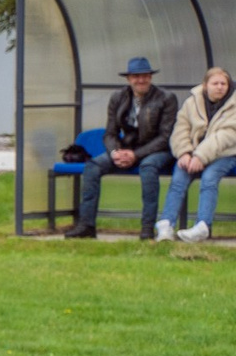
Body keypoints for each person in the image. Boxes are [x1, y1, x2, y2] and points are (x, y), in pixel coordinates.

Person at [67, 57, 176, 238]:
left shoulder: (166, 98)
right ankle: (86, 225)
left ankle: (147, 227)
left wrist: (136, 155)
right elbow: (110, 133)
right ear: (128, 78)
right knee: (93, 166)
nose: (141, 80)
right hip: (126, 149)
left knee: (148, 167)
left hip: (158, 150)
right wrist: (115, 152)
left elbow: (165, 137)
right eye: (136, 76)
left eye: (145, 76)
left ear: (150, 77)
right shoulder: (118, 97)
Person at [163, 66, 236, 241]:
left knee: (209, 178)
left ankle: (202, 226)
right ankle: (166, 225)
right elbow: (180, 129)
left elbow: (227, 135)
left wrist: (200, 156)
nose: (220, 87)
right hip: (192, 154)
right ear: (205, 85)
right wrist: (184, 152)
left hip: (225, 154)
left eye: (223, 84)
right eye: (215, 83)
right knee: (178, 179)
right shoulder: (191, 102)